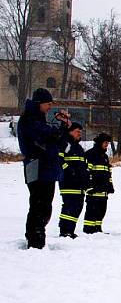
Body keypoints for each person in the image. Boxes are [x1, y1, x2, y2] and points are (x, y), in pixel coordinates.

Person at [16, 87, 70, 248]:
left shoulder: (38, 119)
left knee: (43, 204)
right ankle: (36, 239)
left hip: (46, 168)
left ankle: (34, 235)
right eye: (47, 104)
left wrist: (62, 127)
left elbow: (58, 140)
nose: (49, 107)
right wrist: (57, 131)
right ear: (39, 103)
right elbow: (47, 136)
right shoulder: (29, 120)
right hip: (37, 166)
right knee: (40, 204)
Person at [57, 122, 89, 238]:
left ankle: (70, 230)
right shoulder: (66, 143)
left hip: (79, 183)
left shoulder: (78, 147)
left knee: (77, 206)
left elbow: (83, 165)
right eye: (77, 132)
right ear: (70, 131)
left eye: (80, 132)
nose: (79, 134)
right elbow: (59, 159)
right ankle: (65, 230)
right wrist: (70, 171)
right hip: (68, 182)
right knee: (70, 206)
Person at [83, 133, 114, 234]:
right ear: (100, 142)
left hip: (103, 190)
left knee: (101, 211)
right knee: (92, 211)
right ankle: (89, 230)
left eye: (108, 143)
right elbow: (87, 172)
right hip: (94, 190)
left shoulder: (104, 156)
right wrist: (89, 186)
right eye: (105, 143)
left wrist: (110, 186)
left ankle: (97, 229)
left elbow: (108, 173)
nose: (107, 145)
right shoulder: (91, 154)